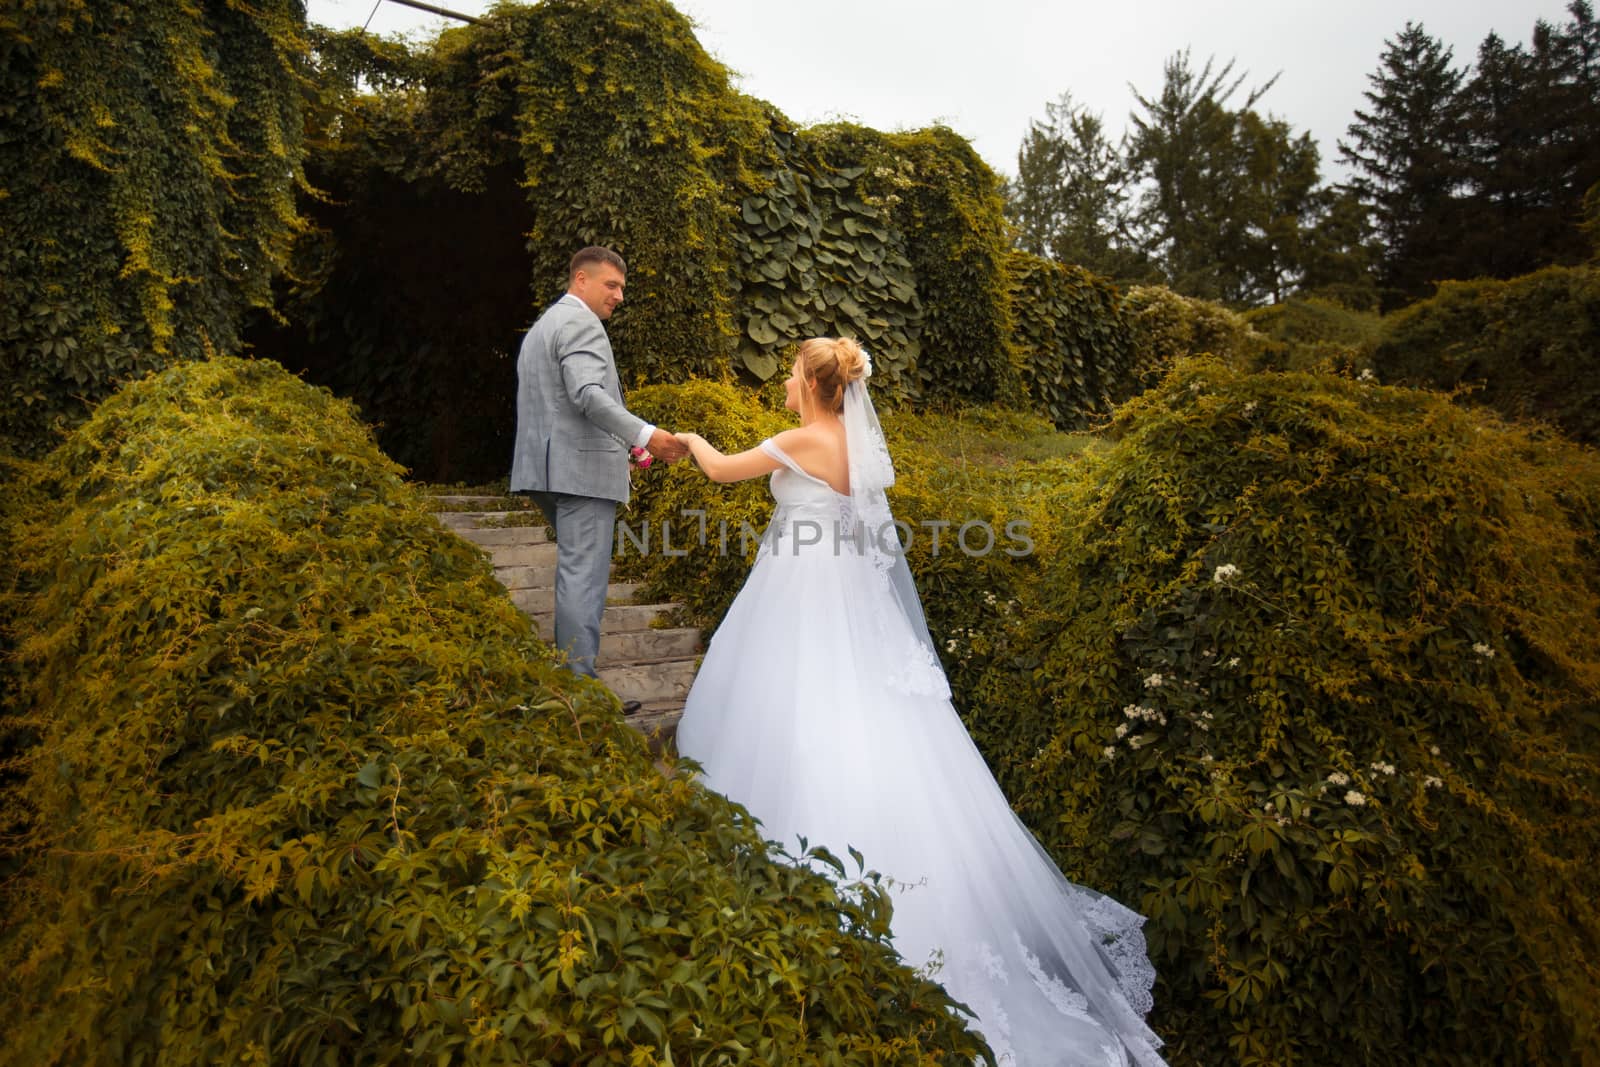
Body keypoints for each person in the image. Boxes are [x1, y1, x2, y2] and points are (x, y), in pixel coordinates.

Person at [673, 338, 1167, 1066]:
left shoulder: (802, 437)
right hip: (844, 593)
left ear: (812, 384)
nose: (781, 380)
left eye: (789, 372)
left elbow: (717, 471)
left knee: (800, 709)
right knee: (865, 720)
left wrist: (683, 435)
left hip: (800, 595)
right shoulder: (854, 444)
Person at [509, 247, 686, 697]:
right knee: (583, 577)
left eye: (622, 287)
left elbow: (558, 406)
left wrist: (616, 445)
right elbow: (587, 393)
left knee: (576, 572)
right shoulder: (581, 322)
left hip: (545, 470)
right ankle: (581, 691)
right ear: (581, 280)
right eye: (612, 285)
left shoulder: (542, 327)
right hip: (579, 475)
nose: (620, 296)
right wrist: (645, 435)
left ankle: (571, 680)